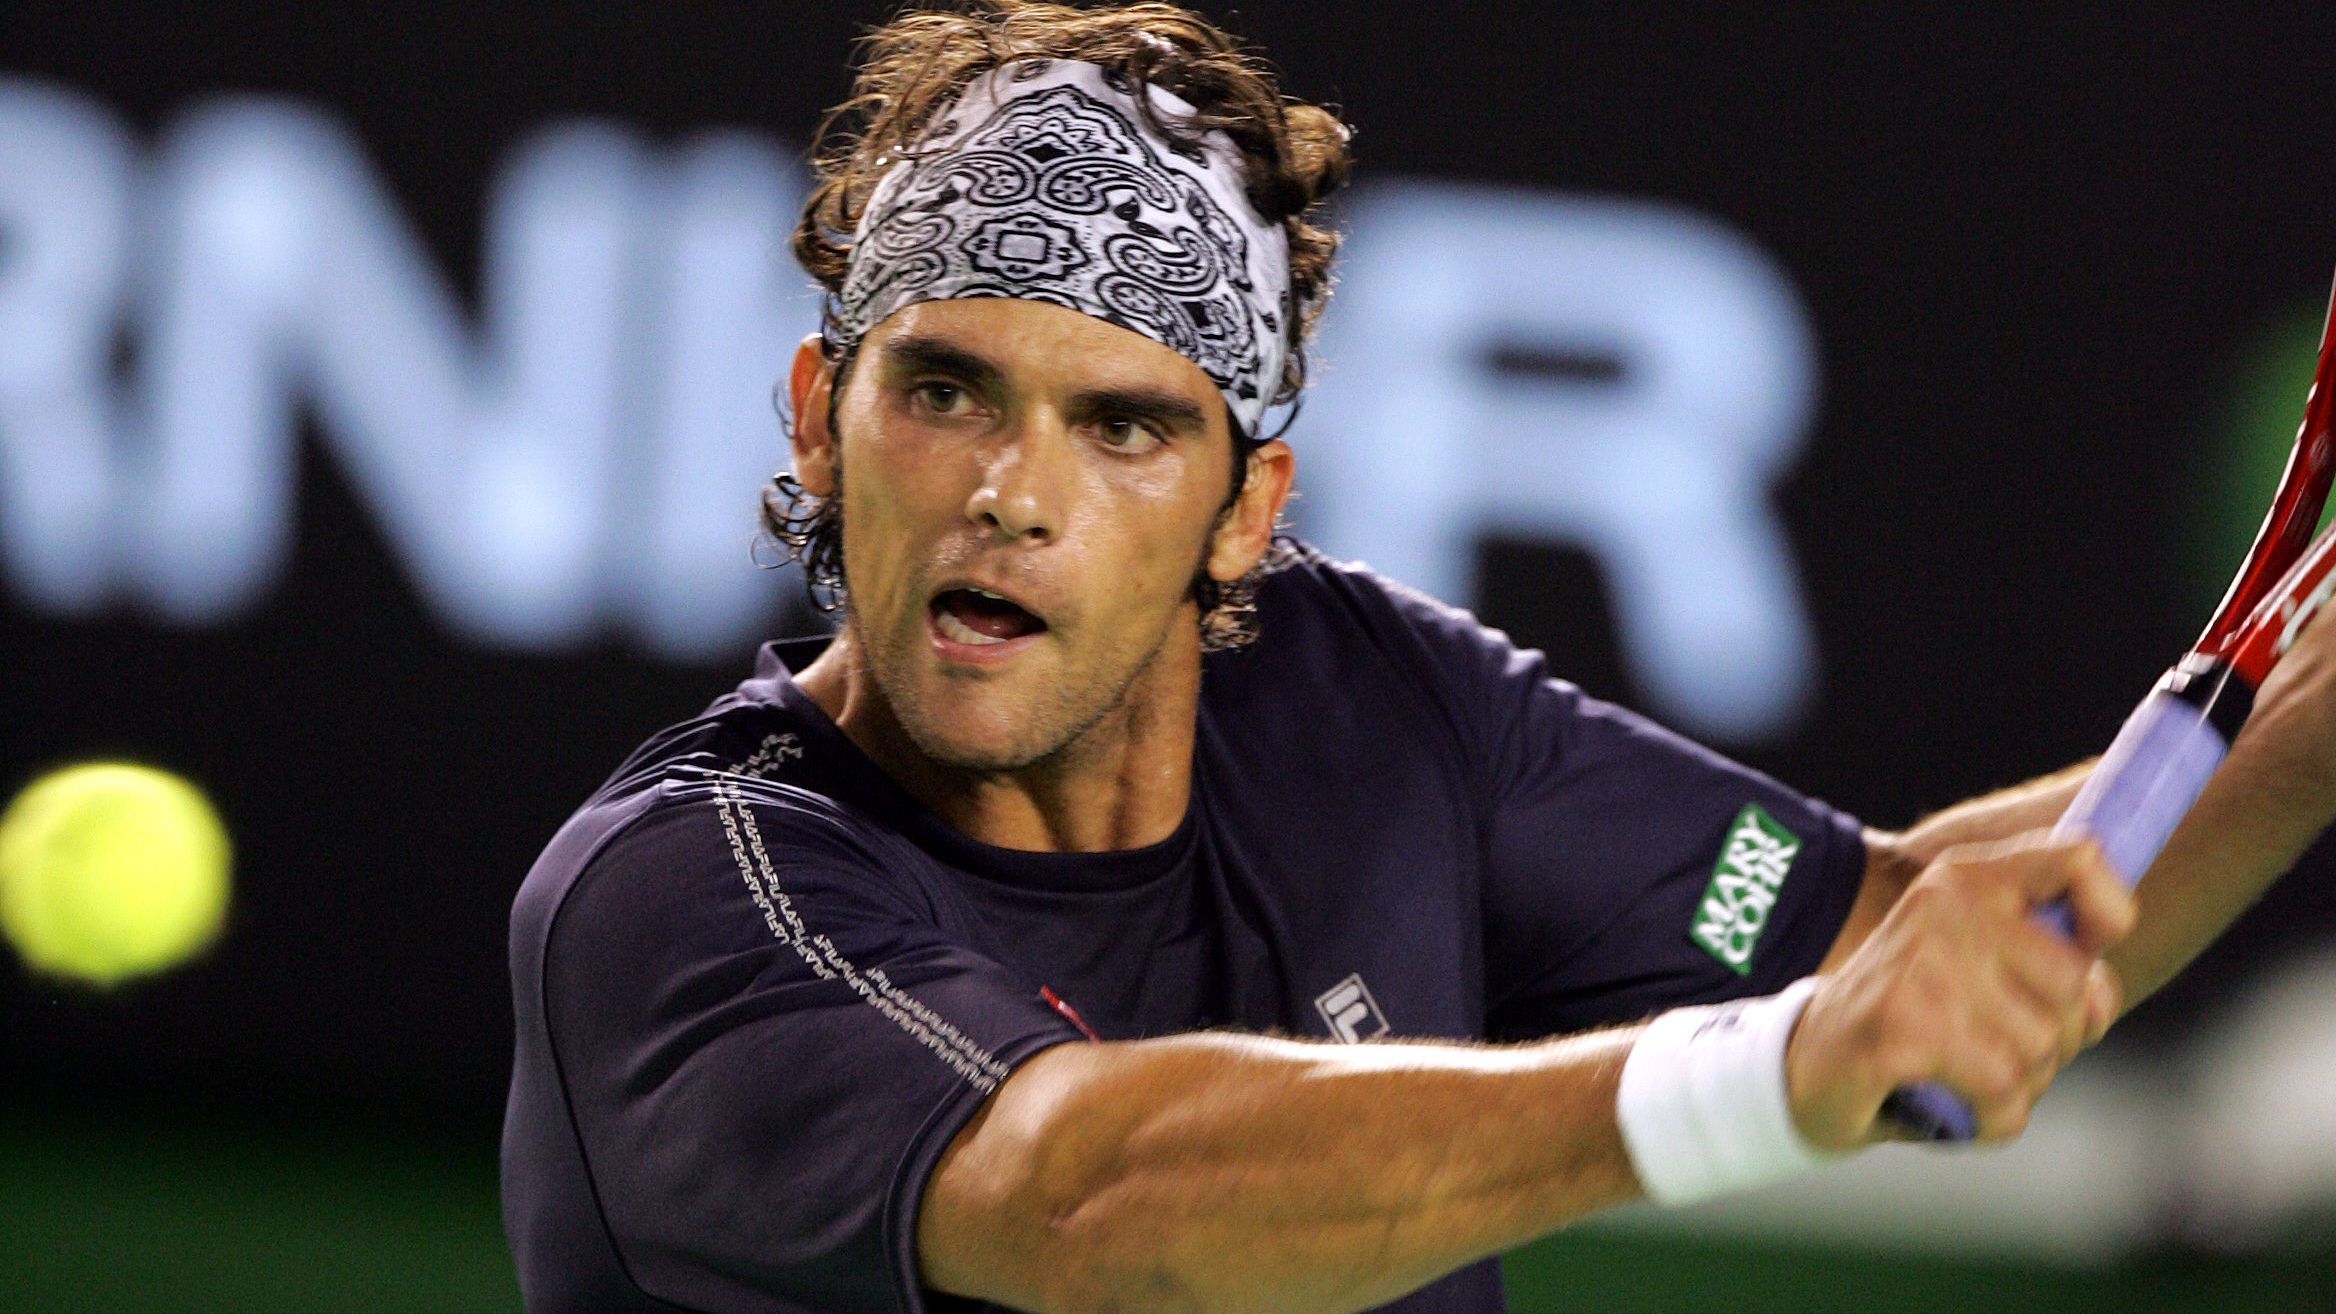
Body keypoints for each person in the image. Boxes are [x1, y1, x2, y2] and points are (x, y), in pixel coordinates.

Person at [498, 4, 2336, 1311]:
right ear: (823, 414)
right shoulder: (679, 893)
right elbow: (1091, 1200)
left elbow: (1904, 938)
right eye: (945, 392)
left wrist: (2320, 721)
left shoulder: (1367, 696)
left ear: (1248, 504)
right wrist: (1761, 1075)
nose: (1007, 494)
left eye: (1123, 426)